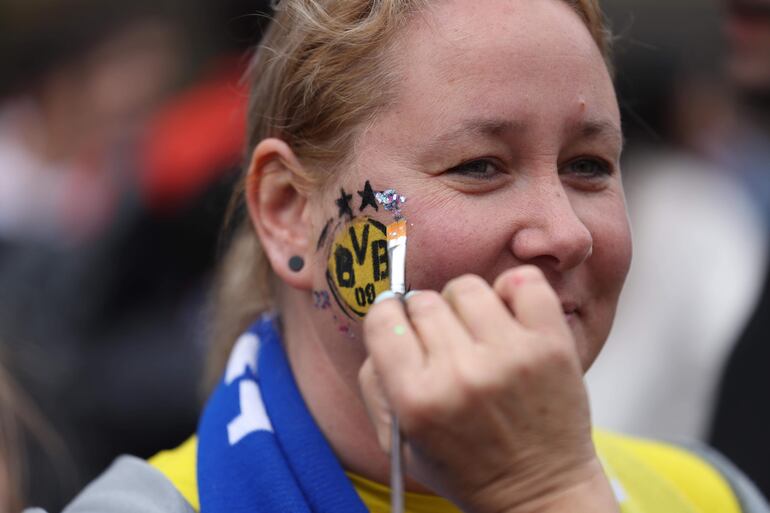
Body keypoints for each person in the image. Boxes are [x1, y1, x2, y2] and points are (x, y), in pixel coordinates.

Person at [38, 1, 768, 512]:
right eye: (480, 165)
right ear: (289, 212)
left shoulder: (708, 494)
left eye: (590, 166)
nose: (566, 231)